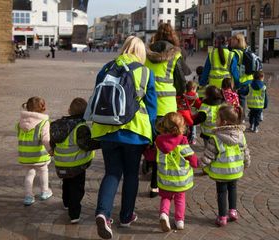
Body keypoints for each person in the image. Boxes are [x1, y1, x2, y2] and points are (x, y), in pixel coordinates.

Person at [91, 36, 157, 239]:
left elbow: (97, 95)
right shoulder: (145, 72)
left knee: (111, 173)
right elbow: (153, 106)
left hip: (106, 129)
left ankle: (103, 213)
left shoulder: (106, 68)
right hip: (134, 133)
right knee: (130, 175)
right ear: (141, 52)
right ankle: (126, 216)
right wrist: (152, 133)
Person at [145, 23, 188, 198]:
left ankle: (146, 164)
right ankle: (155, 185)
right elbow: (181, 81)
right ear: (173, 36)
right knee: (162, 147)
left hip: (149, 105)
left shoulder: (147, 54)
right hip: (168, 107)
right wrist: (179, 93)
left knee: (149, 140)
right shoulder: (176, 54)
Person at [50, 98, 100, 224]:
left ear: (69, 111)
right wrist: (101, 142)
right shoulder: (81, 127)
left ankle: (66, 203)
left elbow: (53, 142)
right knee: (77, 189)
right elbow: (86, 145)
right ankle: (74, 214)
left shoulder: (58, 125)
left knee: (66, 183)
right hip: (77, 165)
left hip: (61, 163)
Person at [201, 104, 251, 227]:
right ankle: (233, 211)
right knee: (233, 189)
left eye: (217, 118)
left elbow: (209, 156)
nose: (215, 120)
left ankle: (222, 217)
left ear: (223, 122)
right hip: (236, 171)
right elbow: (245, 151)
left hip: (221, 172)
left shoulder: (215, 138)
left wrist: (200, 164)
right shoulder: (240, 135)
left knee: (222, 193)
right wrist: (247, 162)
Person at [155, 112, 198, 232]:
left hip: (165, 178)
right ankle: (179, 221)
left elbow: (152, 156)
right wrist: (197, 164)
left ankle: (164, 214)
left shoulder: (159, 141)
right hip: (180, 179)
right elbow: (193, 160)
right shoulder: (183, 141)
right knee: (180, 199)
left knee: (165, 197)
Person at [17, 97, 53, 206]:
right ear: (42, 108)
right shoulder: (43, 122)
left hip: (25, 155)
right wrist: (51, 150)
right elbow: (46, 139)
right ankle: (44, 191)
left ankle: (28, 196)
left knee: (29, 173)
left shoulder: (20, 122)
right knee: (43, 171)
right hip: (39, 155)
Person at [228, 33, 254, 120]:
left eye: (233, 39)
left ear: (238, 41)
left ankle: (239, 117)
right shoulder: (246, 51)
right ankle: (242, 117)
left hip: (240, 81)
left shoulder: (235, 53)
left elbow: (233, 69)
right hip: (248, 79)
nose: (231, 41)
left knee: (237, 100)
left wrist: (236, 82)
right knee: (242, 99)